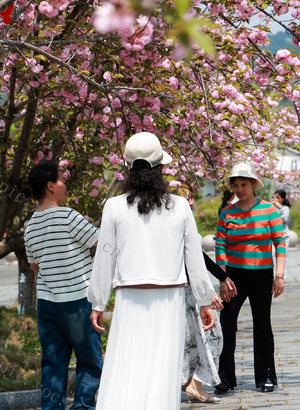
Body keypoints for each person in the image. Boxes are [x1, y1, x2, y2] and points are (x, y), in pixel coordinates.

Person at [87, 132, 216, 409]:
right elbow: (194, 255)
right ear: (161, 169)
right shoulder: (180, 206)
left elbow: (104, 257)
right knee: (162, 368)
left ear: (128, 169)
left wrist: (98, 301)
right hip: (168, 298)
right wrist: (205, 300)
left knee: (126, 362)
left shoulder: (113, 207)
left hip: (129, 296)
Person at [24, 162, 103, 410]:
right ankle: (82, 407)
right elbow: (101, 243)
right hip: (78, 300)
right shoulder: (68, 216)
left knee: (52, 363)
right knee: (89, 360)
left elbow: (34, 267)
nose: (64, 185)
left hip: (47, 304)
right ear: (50, 186)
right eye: (61, 180)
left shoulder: (30, 225)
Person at [215, 161, 286, 394]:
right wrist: (223, 279)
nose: (239, 189)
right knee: (227, 325)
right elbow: (220, 246)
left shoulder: (268, 210)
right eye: (235, 185)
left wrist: (279, 276)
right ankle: (225, 378)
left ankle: (266, 376)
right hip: (233, 276)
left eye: (243, 184)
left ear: (253, 184)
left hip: (262, 275)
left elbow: (280, 243)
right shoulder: (226, 213)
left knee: (262, 325)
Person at [179, 188, 232, 404]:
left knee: (201, 337)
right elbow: (190, 262)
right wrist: (206, 295)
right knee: (207, 335)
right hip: (188, 290)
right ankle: (191, 383)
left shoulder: (186, 222)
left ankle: (194, 383)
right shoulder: (176, 224)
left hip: (194, 287)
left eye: (190, 196)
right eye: (183, 197)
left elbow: (200, 258)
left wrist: (222, 276)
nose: (188, 201)